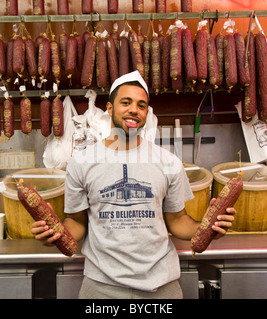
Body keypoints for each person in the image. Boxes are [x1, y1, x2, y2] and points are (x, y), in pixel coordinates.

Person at [31, 71, 236, 299]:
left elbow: (177, 221)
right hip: (101, 286)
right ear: (109, 108)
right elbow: (78, 223)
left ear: (147, 113)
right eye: (125, 103)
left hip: (161, 286)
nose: (134, 110)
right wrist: (56, 233)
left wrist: (208, 229)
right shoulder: (81, 162)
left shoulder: (168, 162)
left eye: (141, 105)